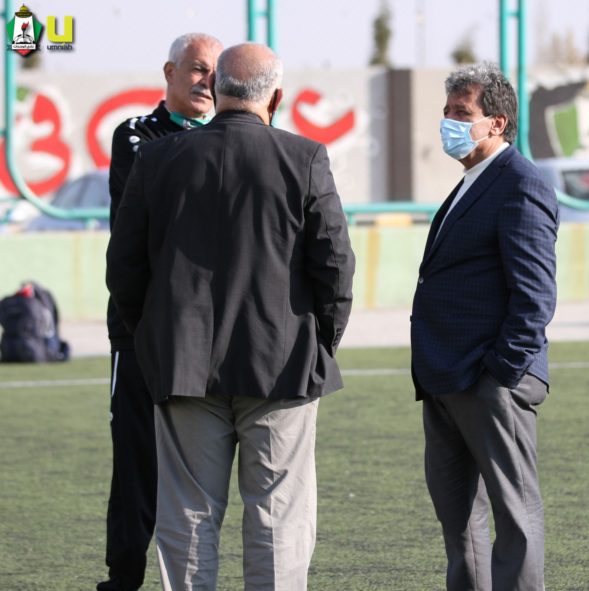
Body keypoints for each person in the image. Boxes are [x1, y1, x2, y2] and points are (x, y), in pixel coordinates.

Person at [106, 42, 355, 590]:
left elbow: (123, 268)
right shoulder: (304, 157)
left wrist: (156, 339)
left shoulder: (157, 159)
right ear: (276, 97)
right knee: (278, 519)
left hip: (185, 367)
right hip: (282, 366)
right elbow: (335, 266)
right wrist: (321, 341)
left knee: (188, 517)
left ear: (217, 89)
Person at [411, 62, 558, 591]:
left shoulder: (520, 183)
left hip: (487, 380)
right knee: (459, 523)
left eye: (462, 112)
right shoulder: (471, 183)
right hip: (446, 378)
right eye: (447, 111)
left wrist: (500, 374)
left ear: (496, 122)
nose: (449, 121)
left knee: (515, 515)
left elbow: (535, 296)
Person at [99, 32, 223, 591]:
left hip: (207, 328)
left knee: (202, 464)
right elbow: (154, 224)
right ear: (170, 72)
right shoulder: (135, 135)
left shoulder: (230, 133)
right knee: (135, 458)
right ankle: (123, 577)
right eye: (196, 69)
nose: (206, 82)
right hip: (141, 327)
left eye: (216, 73)